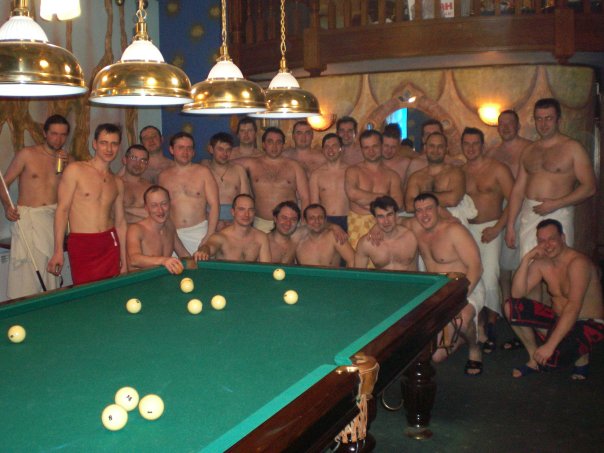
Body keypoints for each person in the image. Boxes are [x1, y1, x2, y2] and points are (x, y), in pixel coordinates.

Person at [505, 219, 603, 380]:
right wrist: (527, 259)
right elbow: (516, 293)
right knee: (511, 307)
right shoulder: (542, 263)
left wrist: (550, 346)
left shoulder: (578, 263)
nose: (547, 245)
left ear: (563, 238)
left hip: (587, 322)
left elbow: (573, 307)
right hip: (559, 318)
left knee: (549, 361)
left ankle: (581, 356)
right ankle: (533, 359)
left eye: (551, 239)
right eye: (541, 241)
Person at [505, 98, 596, 259]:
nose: (543, 123)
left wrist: (557, 203)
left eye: (548, 118)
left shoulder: (573, 148)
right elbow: (518, 191)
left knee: (558, 264)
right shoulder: (529, 151)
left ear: (558, 120)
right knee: (529, 262)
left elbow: (590, 187)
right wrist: (511, 225)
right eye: (539, 118)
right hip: (530, 213)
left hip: (558, 212)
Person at [410, 193, 484, 375]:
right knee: (436, 356)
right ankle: (461, 335)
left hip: (466, 287)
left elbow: (476, 267)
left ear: (438, 209)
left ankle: (474, 346)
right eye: (419, 211)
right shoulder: (415, 227)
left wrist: (458, 298)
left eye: (429, 209)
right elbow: (391, 223)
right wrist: (376, 230)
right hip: (437, 293)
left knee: (461, 320)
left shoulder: (454, 231)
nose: (424, 215)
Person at [48, 123, 127, 285]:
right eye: (104, 143)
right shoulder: (75, 170)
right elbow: (62, 210)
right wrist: (58, 251)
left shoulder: (117, 182)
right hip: (83, 243)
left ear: (119, 147)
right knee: (85, 291)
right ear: (95, 144)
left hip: (109, 242)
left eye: (114, 144)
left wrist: (125, 260)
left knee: (112, 291)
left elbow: (120, 222)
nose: (109, 149)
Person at [1, 114, 70, 298]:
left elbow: (70, 193)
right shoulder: (27, 154)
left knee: (50, 273)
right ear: (44, 133)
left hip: (52, 222)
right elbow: (3, 183)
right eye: (54, 133)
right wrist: (7, 207)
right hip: (29, 220)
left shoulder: (68, 160)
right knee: (26, 275)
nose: (58, 139)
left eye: (63, 134)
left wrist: (67, 167)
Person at [462, 127, 514, 352]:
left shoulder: (498, 169)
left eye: (475, 143)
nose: (471, 148)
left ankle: (492, 322)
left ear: (482, 145)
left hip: (491, 227)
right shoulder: (460, 172)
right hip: (467, 230)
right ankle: (480, 321)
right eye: (467, 143)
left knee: (491, 275)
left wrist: (498, 228)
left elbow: (514, 199)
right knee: (472, 277)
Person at [488, 110, 533, 350]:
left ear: (518, 125)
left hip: (528, 210)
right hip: (504, 211)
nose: (505, 127)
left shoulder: (529, 149)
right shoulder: (493, 152)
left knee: (526, 268)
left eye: (510, 123)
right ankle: (511, 317)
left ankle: (529, 319)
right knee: (504, 269)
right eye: (501, 124)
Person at [236, 127, 309, 233]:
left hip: (289, 222)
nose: (274, 146)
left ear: (283, 145)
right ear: (264, 144)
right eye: (270, 142)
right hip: (261, 223)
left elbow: (305, 197)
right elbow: (225, 163)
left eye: (278, 142)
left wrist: (304, 222)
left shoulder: (294, 166)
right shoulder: (252, 163)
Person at [158, 132, 220, 255]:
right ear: (171, 150)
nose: (185, 152)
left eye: (189, 148)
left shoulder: (204, 172)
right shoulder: (163, 176)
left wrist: (209, 235)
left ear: (193, 152)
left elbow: (215, 205)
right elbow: (161, 209)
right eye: (181, 147)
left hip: (199, 232)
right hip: (173, 234)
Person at [345, 129, 404, 249]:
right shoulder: (353, 171)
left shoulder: (392, 175)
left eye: (375, 146)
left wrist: (365, 200)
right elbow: (353, 194)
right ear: (361, 149)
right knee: (359, 259)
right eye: (366, 148)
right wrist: (385, 197)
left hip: (385, 224)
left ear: (381, 146)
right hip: (358, 223)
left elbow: (398, 203)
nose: (371, 151)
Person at [404, 132, 475, 227]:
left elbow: (453, 200)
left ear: (446, 149)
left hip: (452, 224)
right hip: (424, 225)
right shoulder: (416, 177)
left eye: (440, 146)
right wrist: (441, 202)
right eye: (432, 146)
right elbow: (409, 206)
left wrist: (422, 196)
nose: (435, 150)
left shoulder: (456, 173)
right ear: (425, 148)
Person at [126, 185, 190, 274]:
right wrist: (163, 261)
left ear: (170, 203)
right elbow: (134, 260)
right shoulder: (136, 230)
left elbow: (184, 254)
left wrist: (200, 256)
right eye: (154, 205)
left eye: (164, 204)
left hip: (164, 278)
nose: (160, 210)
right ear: (146, 208)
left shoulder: (169, 225)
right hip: (142, 280)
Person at [194, 194, 271, 262]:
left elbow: (266, 267)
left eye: (250, 210)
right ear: (233, 212)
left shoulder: (261, 238)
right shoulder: (221, 237)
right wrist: (203, 251)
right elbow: (208, 246)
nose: (246, 214)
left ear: (254, 213)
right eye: (241, 209)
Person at [202, 132, 250, 231]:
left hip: (234, 222)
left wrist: (236, 222)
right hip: (207, 221)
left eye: (228, 150)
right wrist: (211, 221)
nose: (225, 154)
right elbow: (198, 202)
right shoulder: (203, 170)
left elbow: (245, 201)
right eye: (220, 149)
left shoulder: (239, 170)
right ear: (211, 149)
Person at [354, 196, 418, 271]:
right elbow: (358, 274)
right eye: (381, 217)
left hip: (408, 278)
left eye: (389, 215)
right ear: (375, 219)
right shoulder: (366, 243)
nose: (386, 221)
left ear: (396, 215)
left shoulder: (411, 236)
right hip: (380, 279)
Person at [309, 133, 350, 231]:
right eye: (327, 147)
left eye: (334, 146)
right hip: (325, 221)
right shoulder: (316, 175)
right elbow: (314, 208)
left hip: (349, 220)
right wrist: (328, 225)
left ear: (340, 149)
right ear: (322, 150)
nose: (330, 150)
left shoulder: (351, 171)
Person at [120, 144, 152, 224]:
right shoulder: (115, 185)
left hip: (146, 231)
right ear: (125, 160)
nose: (138, 163)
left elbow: (156, 214)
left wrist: (124, 209)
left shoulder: (150, 188)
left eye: (143, 160)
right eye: (134, 158)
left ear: (147, 164)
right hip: (121, 231)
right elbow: (112, 215)